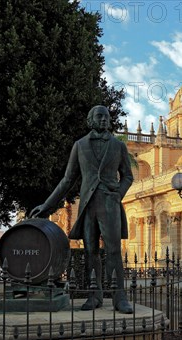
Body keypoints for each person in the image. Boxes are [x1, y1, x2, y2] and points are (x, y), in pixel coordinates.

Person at [30, 105, 134, 313]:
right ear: (90, 120)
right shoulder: (79, 145)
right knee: (90, 252)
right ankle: (94, 296)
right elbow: (68, 179)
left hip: (109, 204)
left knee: (113, 250)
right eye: (99, 116)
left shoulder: (117, 146)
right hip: (87, 205)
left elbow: (127, 176)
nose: (104, 119)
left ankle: (119, 298)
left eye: (106, 116)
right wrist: (47, 205)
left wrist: (117, 194)